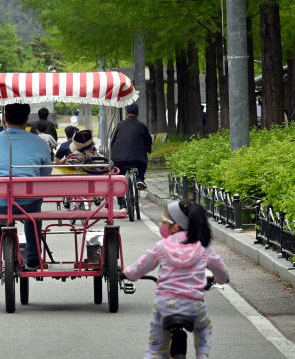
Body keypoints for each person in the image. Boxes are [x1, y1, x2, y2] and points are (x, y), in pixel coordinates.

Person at [124, 200, 230, 359]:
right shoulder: (202, 247)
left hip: (164, 305)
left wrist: (128, 274)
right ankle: (202, 355)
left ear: (175, 226)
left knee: (155, 347)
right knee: (203, 331)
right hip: (195, 306)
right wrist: (220, 279)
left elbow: (140, 267)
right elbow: (221, 271)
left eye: (165, 220)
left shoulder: (161, 246)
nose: (162, 223)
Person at [0, 103, 52, 273]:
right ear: (27, 119)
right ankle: (33, 256)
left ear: (5, 118)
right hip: (27, 203)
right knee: (33, 215)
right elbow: (46, 172)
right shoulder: (39, 143)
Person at [111, 103, 152, 209]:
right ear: (138, 114)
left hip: (119, 159)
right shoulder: (142, 126)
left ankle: (121, 204)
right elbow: (148, 141)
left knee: (119, 178)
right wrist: (148, 149)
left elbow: (113, 141)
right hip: (137, 159)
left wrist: (113, 155)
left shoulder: (119, 125)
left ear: (126, 113)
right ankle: (140, 179)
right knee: (142, 163)